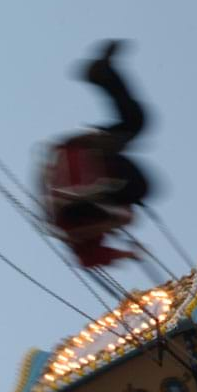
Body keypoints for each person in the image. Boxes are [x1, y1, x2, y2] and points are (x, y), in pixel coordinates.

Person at [42, 40, 153, 268]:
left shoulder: (71, 221)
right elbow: (89, 257)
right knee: (133, 123)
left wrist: (113, 222)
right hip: (90, 165)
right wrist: (128, 254)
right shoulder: (86, 226)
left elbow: (75, 234)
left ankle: (101, 73)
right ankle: (102, 73)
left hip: (85, 161)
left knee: (134, 123)